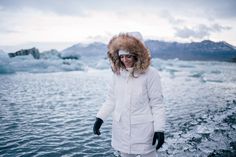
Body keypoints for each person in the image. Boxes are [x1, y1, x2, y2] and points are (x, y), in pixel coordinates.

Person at [93, 32, 165, 157]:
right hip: (121, 130)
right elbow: (111, 100)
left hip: (144, 131)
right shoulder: (117, 75)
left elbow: (157, 104)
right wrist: (99, 118)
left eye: (128, 56)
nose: (124, 60)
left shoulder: (151, 74)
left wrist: (159, 129)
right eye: (121, 57)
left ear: (137, 55)